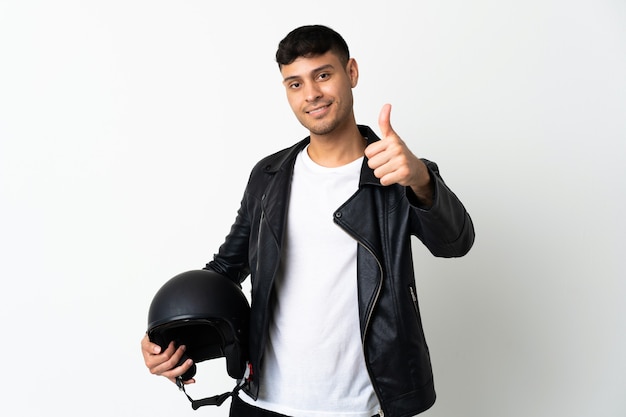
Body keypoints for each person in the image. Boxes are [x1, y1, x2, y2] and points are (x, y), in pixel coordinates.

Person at [141, 24, 475, 417]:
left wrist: (420, 178)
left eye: (323, 75)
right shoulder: (268, 176)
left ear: (350, 72)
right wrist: (168, 335)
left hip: (357, 407)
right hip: (258, 403)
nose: (311, 94)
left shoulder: (398, 171)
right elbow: (225, 269)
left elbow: (456, 242)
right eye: (294, 84)